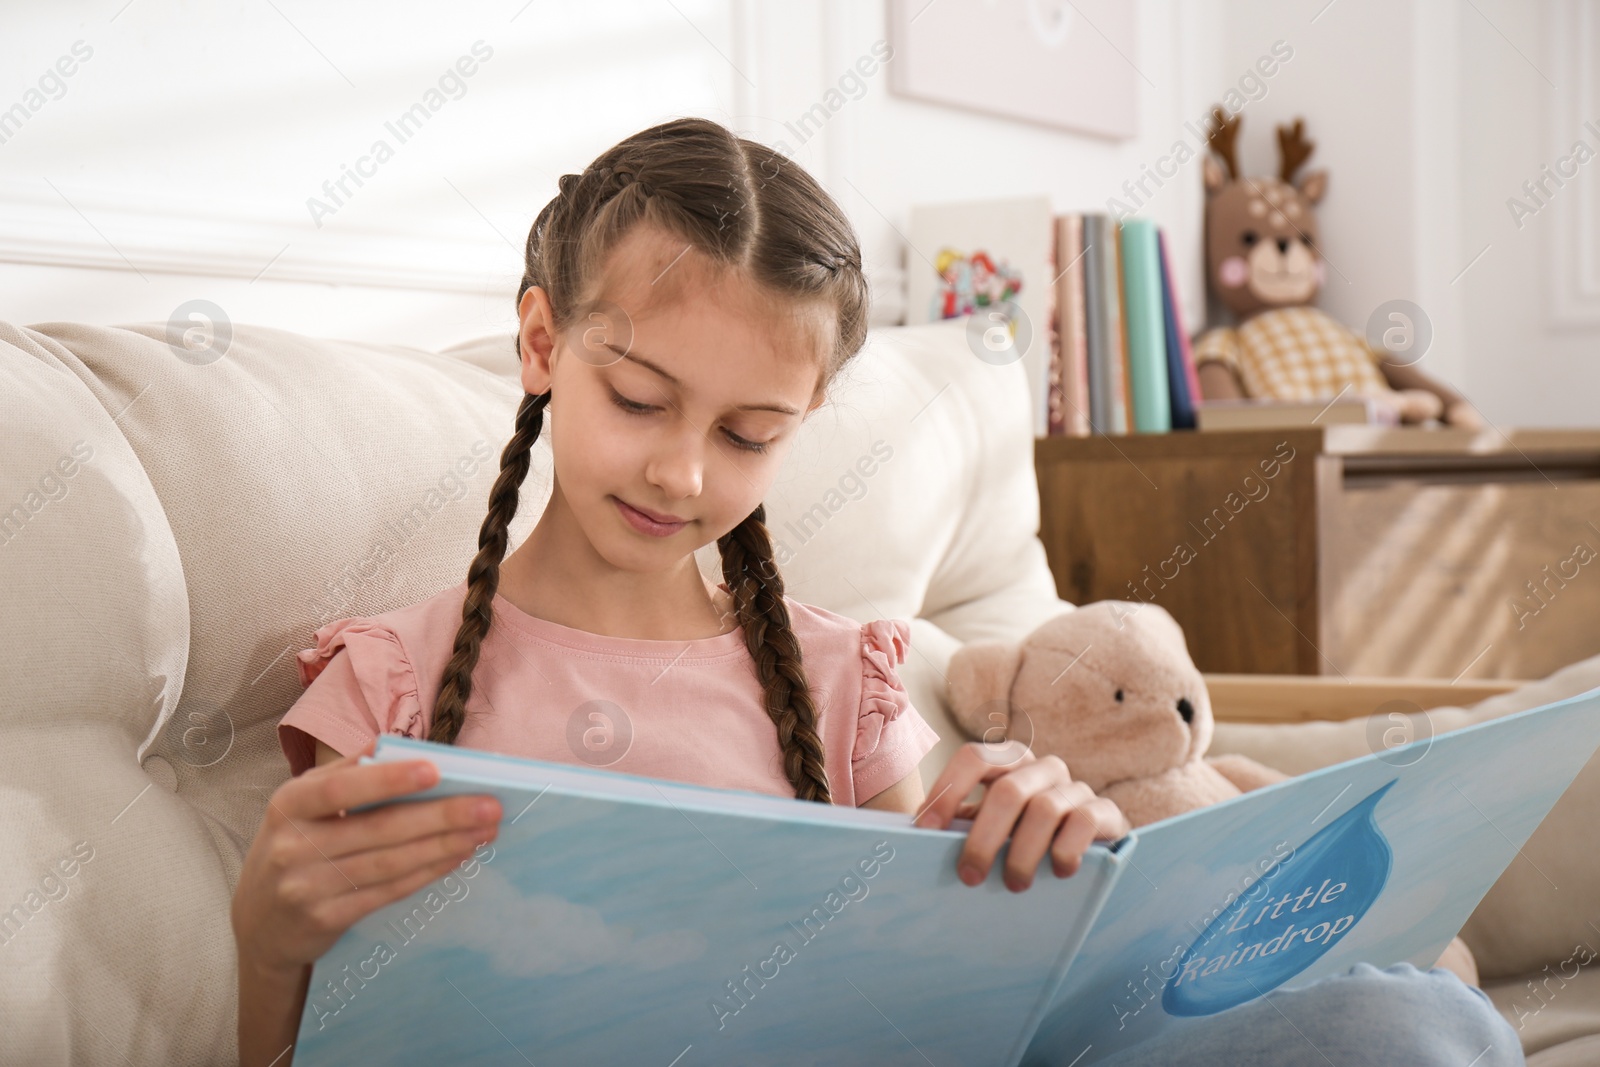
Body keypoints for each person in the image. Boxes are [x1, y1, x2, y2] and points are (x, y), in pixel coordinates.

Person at [229, 117, 1523, 1067]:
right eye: (637, 399)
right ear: (539, 342)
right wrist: (270, 942)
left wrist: (1027, 862)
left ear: (805, 423)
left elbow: (938, 1009)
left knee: (1415, 1020)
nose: (681, 470)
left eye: (748, 434)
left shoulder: (845, 679)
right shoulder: (395, 685)